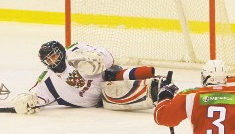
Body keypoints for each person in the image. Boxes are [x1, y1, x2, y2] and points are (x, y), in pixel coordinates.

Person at [12, 40, 159, 114]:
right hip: (102, 100)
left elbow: (108, 56)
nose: (53, 61)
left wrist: (99, 59)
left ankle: (155, 79)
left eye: (54, 56)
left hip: (108, 77)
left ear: (62, 51)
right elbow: (37, 96)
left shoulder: (76, 50)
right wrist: (28, 102)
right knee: (113, 95)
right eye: (48, 60)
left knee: (115, 73)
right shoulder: (47, 81)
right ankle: (154, 91)